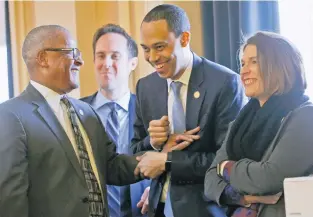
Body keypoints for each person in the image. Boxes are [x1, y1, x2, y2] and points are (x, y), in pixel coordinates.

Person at [0, 24, 144, 217]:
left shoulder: (86, 112)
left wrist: (159, 158)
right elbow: (11, 200)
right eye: (71, 52)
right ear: (43, 59)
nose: (81, 61)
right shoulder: (11, 115)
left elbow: (111, 167)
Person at [132, 4, 247, 217]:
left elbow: (230, 160)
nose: (152, 57)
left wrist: (167, 162)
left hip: (206, 209)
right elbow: (134, 151)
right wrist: (155, 144)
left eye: (159, 47)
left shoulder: (224, 83)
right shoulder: (145, 87)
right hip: (157, 209)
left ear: (184, 38)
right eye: (146, 49)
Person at [204, 31, 313, 217]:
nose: (243, 71)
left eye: (254, 62)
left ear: (280, 66)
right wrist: (245, 198)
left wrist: (226, 167)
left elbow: (269, 177)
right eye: (243, 63)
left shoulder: (305, 116)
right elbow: (209, 182)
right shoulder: (240, 122)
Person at [81, 23, 150, 217]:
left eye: (115, 56)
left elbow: (166, 160)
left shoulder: (150, 111)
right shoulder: (75, 112)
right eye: (100, 56)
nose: (106, 63)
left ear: (132, 63)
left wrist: (157, 189)